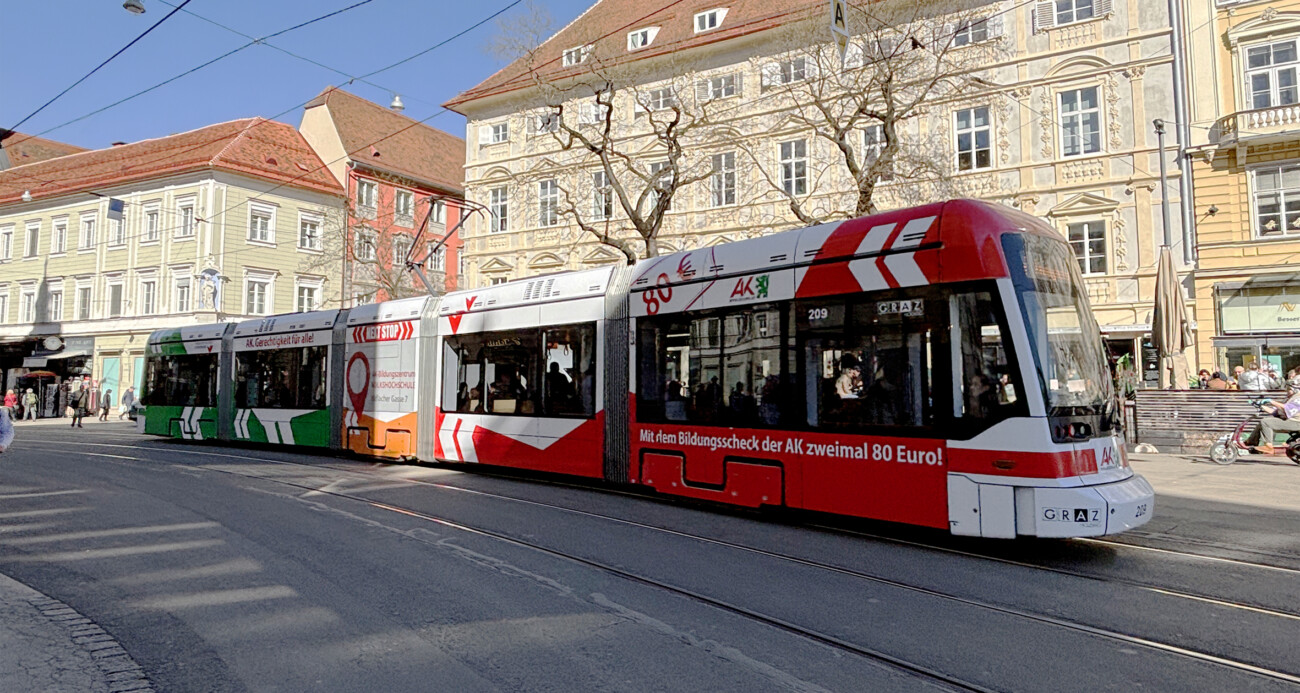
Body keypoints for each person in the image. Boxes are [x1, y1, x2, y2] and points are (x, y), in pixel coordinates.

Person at [1244, 389, 1300, 455]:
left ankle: (1268, 447)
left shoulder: (1298, 398)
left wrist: (1271, 401)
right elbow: (1275, 412)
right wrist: (1261, 406)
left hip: (1296, 423)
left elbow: (1287, 408)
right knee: (1262, 423)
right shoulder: (1291, 398)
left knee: (1265, 422)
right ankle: (1251, 443)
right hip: (1291, 421)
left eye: (1289, 389)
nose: (1287, 391)